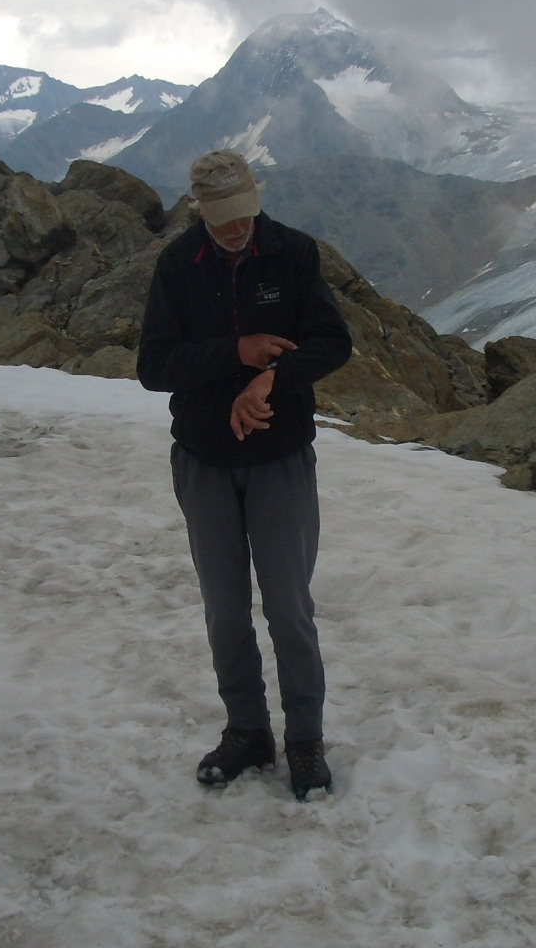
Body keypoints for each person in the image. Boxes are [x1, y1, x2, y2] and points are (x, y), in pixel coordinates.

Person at [136, 148, 353, 800]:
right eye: (223, 217)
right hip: (204, 461)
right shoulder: (178, 265)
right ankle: (248, 731)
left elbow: (332, 342)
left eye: (245, 213)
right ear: (200, 210)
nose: (237, 228)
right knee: (225, 610)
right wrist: (237, 351)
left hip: (278, 458)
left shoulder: (291, 253)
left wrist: (271, 380)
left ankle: (305, 740)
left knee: (288, 609)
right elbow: (154, 366)